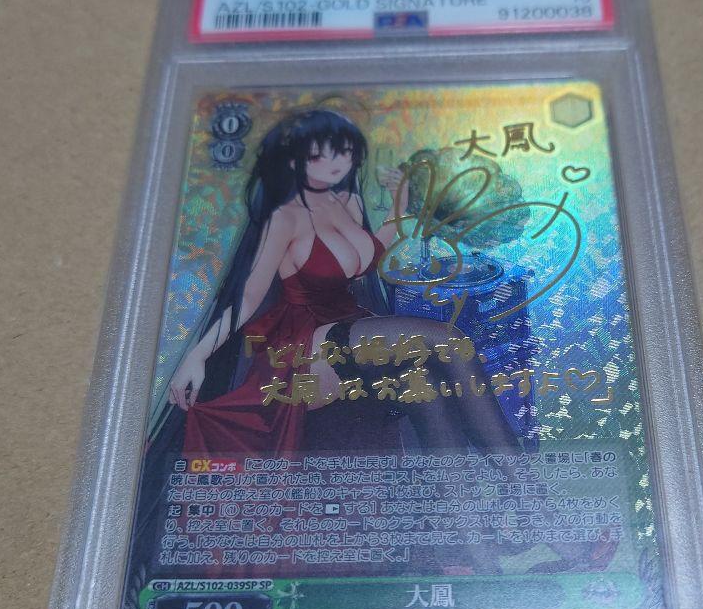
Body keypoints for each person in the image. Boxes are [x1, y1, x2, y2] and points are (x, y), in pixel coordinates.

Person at [161, 107, 520, 460]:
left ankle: (469, 498)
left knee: (427, 389)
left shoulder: (346, 201)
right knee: (450, 341)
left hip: (350, 327)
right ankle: (524, 482)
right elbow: (249, 297)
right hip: (301, 348)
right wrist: (197, 355)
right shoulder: (285, 217)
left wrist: (400, 203)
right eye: (321, 153)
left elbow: (369, 257)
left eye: (345, 151)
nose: (337, 162)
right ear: (294, 158)